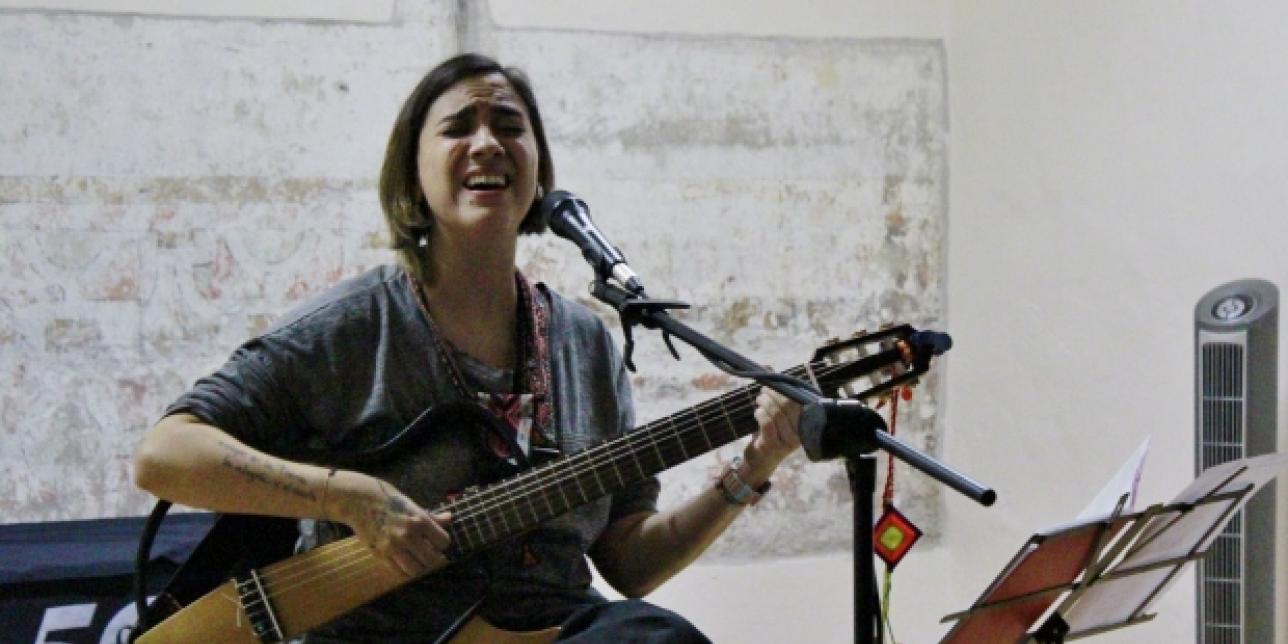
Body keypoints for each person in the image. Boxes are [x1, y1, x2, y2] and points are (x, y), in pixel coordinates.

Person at [133, 53, 802, 643]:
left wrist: (756, 462)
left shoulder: (586, 345)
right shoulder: (352, 328)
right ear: (412, 173)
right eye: (458, 128)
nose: (487, 143)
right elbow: (167, 455)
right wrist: (350, 499)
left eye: (509, 126)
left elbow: (629, 562)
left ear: (537, 166)